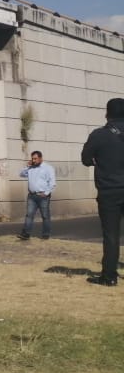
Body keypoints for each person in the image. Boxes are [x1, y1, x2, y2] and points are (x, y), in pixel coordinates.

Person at [81, 98, 124, 287]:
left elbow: (85, 158)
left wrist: (98, 161)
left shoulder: (99, 135)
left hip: (109, 191)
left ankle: (109, 276)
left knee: (111, 235)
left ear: (107, 113)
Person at [17, 150, 56, 240]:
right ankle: (26, 234)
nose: (34, 160)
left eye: (35, 158)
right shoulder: (31, 168)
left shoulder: (48, 168)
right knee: (29, 215)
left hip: (43, 196)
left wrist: (46, 193)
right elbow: (21, 174)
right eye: (32, 159)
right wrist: (27, 166)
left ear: (41, 158)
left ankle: (45, 235)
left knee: (45, 216)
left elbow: (52, 183)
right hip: (32, 196)